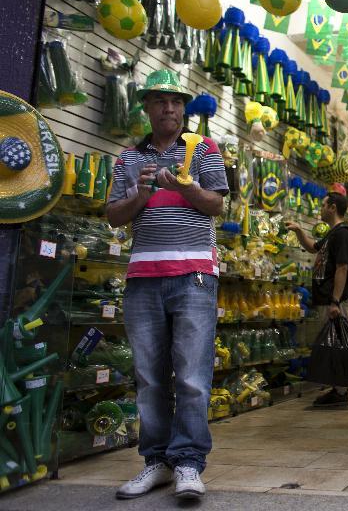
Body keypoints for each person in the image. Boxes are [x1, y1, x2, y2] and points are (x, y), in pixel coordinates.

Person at [106, 69, 228, 500]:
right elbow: (113, 215)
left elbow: (216, 204)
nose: (169, 108)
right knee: (149, 377)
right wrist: (140, 196)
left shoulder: (204, 149)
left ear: (184, 108)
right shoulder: (128, 158)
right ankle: (156, 462)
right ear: (147, 107)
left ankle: (189, 463)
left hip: (194, 275)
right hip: (143, 277)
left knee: (192, 376)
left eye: (176, 101)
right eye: (160, 101)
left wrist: (187, 186)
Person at [286, 190, 348, 407]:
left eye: (323, 205)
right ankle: (338, 389)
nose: (320, 209)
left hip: (334, 300)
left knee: (337, 344)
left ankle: (341, 391)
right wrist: (299, 230)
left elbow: (342, 267)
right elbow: (312, 247)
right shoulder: (332, 234)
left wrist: (335, 301)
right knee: (333, 344)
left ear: (333, 208)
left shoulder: (343, 234)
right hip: (328, 300)